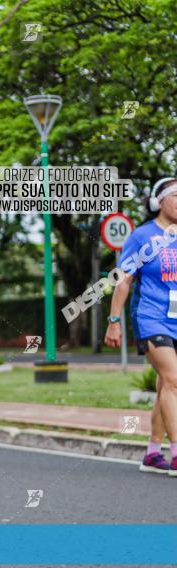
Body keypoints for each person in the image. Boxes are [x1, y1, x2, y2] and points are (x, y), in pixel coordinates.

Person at [105, 177, 177, 475]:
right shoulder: (142, 236)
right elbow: (124, 279)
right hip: (151, 317)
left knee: (165, 386)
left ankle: (151, 451)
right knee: (174, 380)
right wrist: (113, 321)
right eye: (176, 195)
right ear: (159, 201)